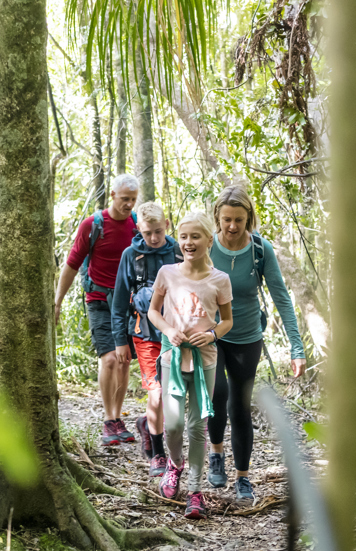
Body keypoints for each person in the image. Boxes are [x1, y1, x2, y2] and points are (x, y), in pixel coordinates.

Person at [206, 185, 306, 507]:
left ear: (248, 218)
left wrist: (297, 347)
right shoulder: (205, 246)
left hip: (247, 336)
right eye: (226, 220)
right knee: (217, 394)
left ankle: (243, 477)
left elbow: (281, 298)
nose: (232, 227)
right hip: (210, 334)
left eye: (239, 220)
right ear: (217, 219)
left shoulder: (260, 250)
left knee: (240, 406)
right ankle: (217, 451)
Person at [147, 212, 233, 520]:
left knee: (198, 426)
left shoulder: (219, 280)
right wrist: (168, 330)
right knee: (172, 425)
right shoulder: (167, 273)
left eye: (195, 237)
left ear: (209, 241)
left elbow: (227, 322)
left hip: (205, 361)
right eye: (183, 237)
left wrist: (211, 335)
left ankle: (195, 490)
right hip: (172, 357)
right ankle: (174, 464)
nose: (188, 243)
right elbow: (153, 312)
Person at [55, 174, 140, 446]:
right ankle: (108, 420)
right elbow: (71, 264)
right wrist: (57, 302)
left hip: (128, 303)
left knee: (124, 360)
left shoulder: (137, 226)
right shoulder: (92, 225)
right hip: (99, 300)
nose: (128, 204)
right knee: (110, 360)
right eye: (124, 199)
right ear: (113, 195)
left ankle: (118, 419)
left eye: (133, 200)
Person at [111, 202, 182, 476]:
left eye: (157, 231)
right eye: (147, 232)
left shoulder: (178, 251)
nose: (153, 238)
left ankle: (148, 426)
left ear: (167, 224)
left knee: (173, 394)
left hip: (176, 334)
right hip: (144, 335)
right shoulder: (130, 255)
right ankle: (157, 453)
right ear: (138, 228)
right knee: (157, 392)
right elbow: (119, 302)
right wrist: (120, 341)